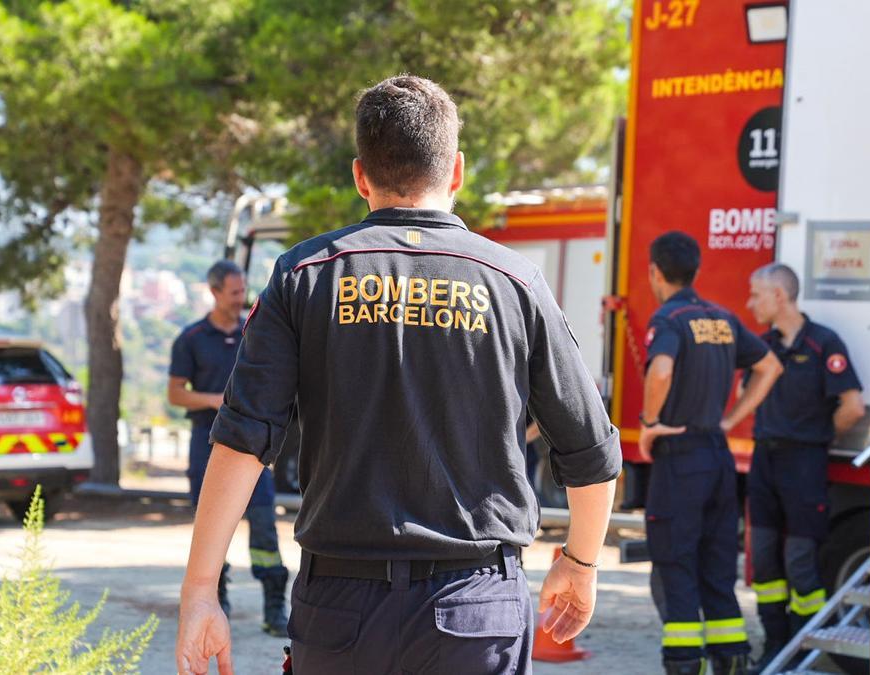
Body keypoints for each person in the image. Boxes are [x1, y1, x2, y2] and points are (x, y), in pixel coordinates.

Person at [175, 75, 621, 675]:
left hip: (340, 609)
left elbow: (243, 439)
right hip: (476, 607)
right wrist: (580, 562)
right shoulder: (515, 283)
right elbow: (591, 449)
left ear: (361, 176)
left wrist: (201, 590)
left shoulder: (304, 276)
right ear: (457, 171)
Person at [638, 232, 783, 675]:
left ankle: (685, 666)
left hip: (680, 460)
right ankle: (732, 665)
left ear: (655, 272)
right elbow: (770, 366)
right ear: (696, 271)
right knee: (718, 573)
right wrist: (732, 418)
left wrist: (648, 424)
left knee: (676, 568)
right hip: (719, 460)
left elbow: (661, 370)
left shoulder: (669, 319)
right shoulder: (723, 318)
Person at [743, 263, 865, 672]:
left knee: (799, 561)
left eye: (756, 293)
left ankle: (803, 650)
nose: (750, 302)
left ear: (779, 296)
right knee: (763, 558)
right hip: (765, 460)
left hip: (805, 461)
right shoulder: (762, 347)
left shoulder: (824, 343)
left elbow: (853, 407)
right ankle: (774, 646)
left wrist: (816, 436)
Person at [168, 260, 289, 637]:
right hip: (206, 447)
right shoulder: (191, 339)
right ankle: (212, 603)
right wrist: (217, 401)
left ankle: (274, 608)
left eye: (242, 291)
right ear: (215, 291)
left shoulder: (253, 331)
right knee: (211, 527)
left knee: (266, 528)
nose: (241, 299)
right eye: (234, 292)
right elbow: (175, 394)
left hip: (253, 449)